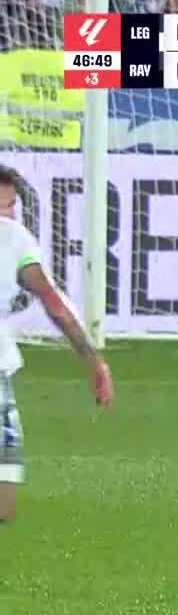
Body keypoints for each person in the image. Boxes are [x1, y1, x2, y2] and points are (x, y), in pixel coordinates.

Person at [0, 166, 114, 521]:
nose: (11, 214)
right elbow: (54, 304)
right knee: (3, 499)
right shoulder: (13, 237)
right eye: (6, 205)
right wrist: (95, 362)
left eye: (13, 206)